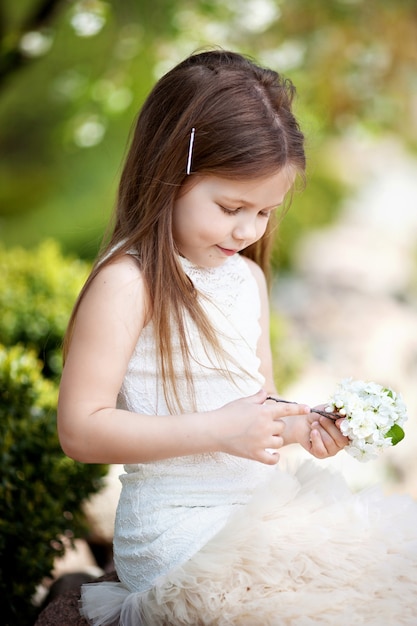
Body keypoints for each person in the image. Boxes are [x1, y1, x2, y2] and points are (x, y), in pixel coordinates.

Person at [58, 49, 417, 626]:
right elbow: (81, 429)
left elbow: (259, 406)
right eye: (231, 207)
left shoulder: (246, 279)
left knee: (392, 574)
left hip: (257, 505)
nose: (249, 230)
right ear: (171, 172)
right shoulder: (130, 284)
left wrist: (304, 427)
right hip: (178, 530)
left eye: (265, 212)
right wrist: (217, 429)